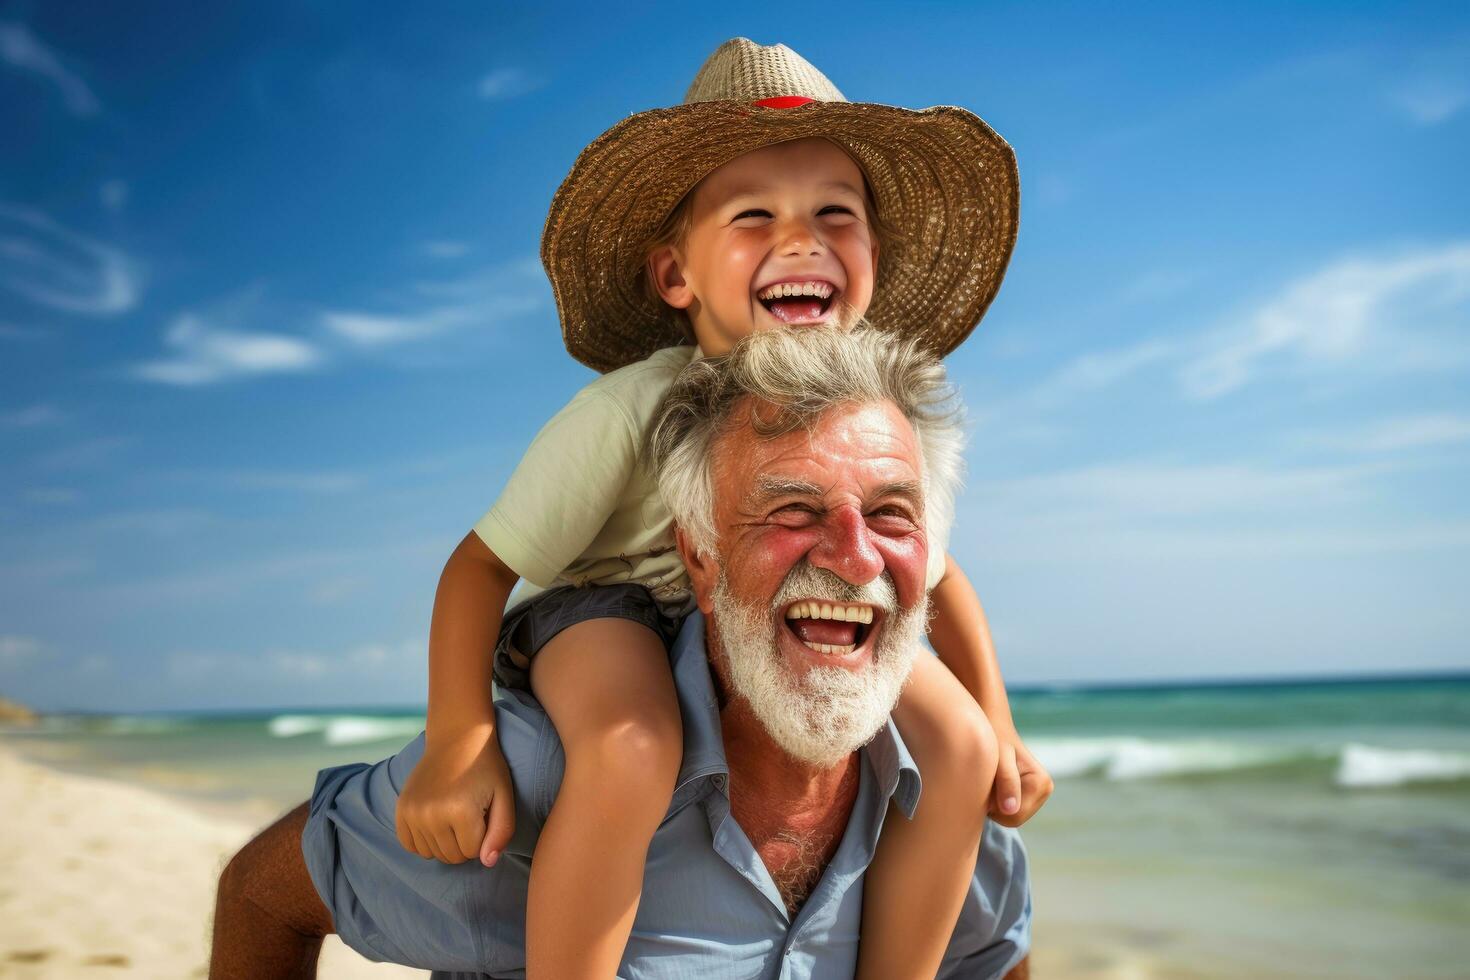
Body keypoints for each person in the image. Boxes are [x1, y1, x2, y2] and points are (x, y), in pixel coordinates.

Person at [379, 37, 1049, 977]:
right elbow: (483, 566)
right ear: (675, 278)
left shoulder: (864, 426)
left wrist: (1002, 722)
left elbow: (939, 576)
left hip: (771, 611)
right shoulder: (632, 407)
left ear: (871, 259)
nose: (801, 238)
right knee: (632, 744)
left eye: (833, 213)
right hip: (615, 607)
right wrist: (459, 739)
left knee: (961, 744)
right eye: (754, 215)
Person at [210, 325, 1033, 979]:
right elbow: (262, 896)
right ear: (700, 559)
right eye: (790, 511)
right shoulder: (537, 785)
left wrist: (992, 719)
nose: (855, 559)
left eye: (892, 515)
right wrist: (460, 736)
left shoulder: (953, 822)